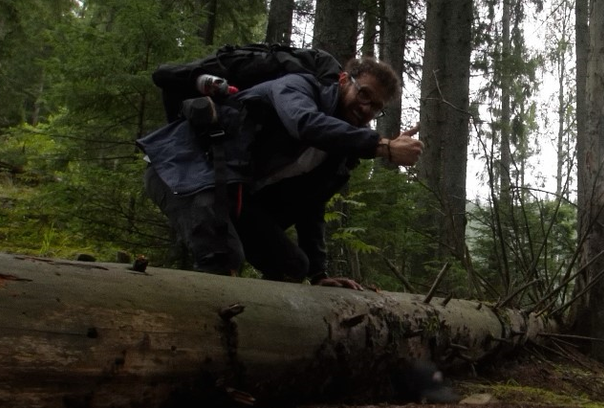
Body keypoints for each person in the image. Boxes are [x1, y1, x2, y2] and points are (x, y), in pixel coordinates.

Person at [138, 57, 421, 288]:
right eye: (364, 95)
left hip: (232, 192)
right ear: (344, 80)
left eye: (376, 107)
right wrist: (382, 146)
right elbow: (305, 123)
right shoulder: (297, 87)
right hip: (181, 166)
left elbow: (311, 206)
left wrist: (319, 275)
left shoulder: (339, 152)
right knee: (223, 258)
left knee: (293, 266)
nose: (366, 108)